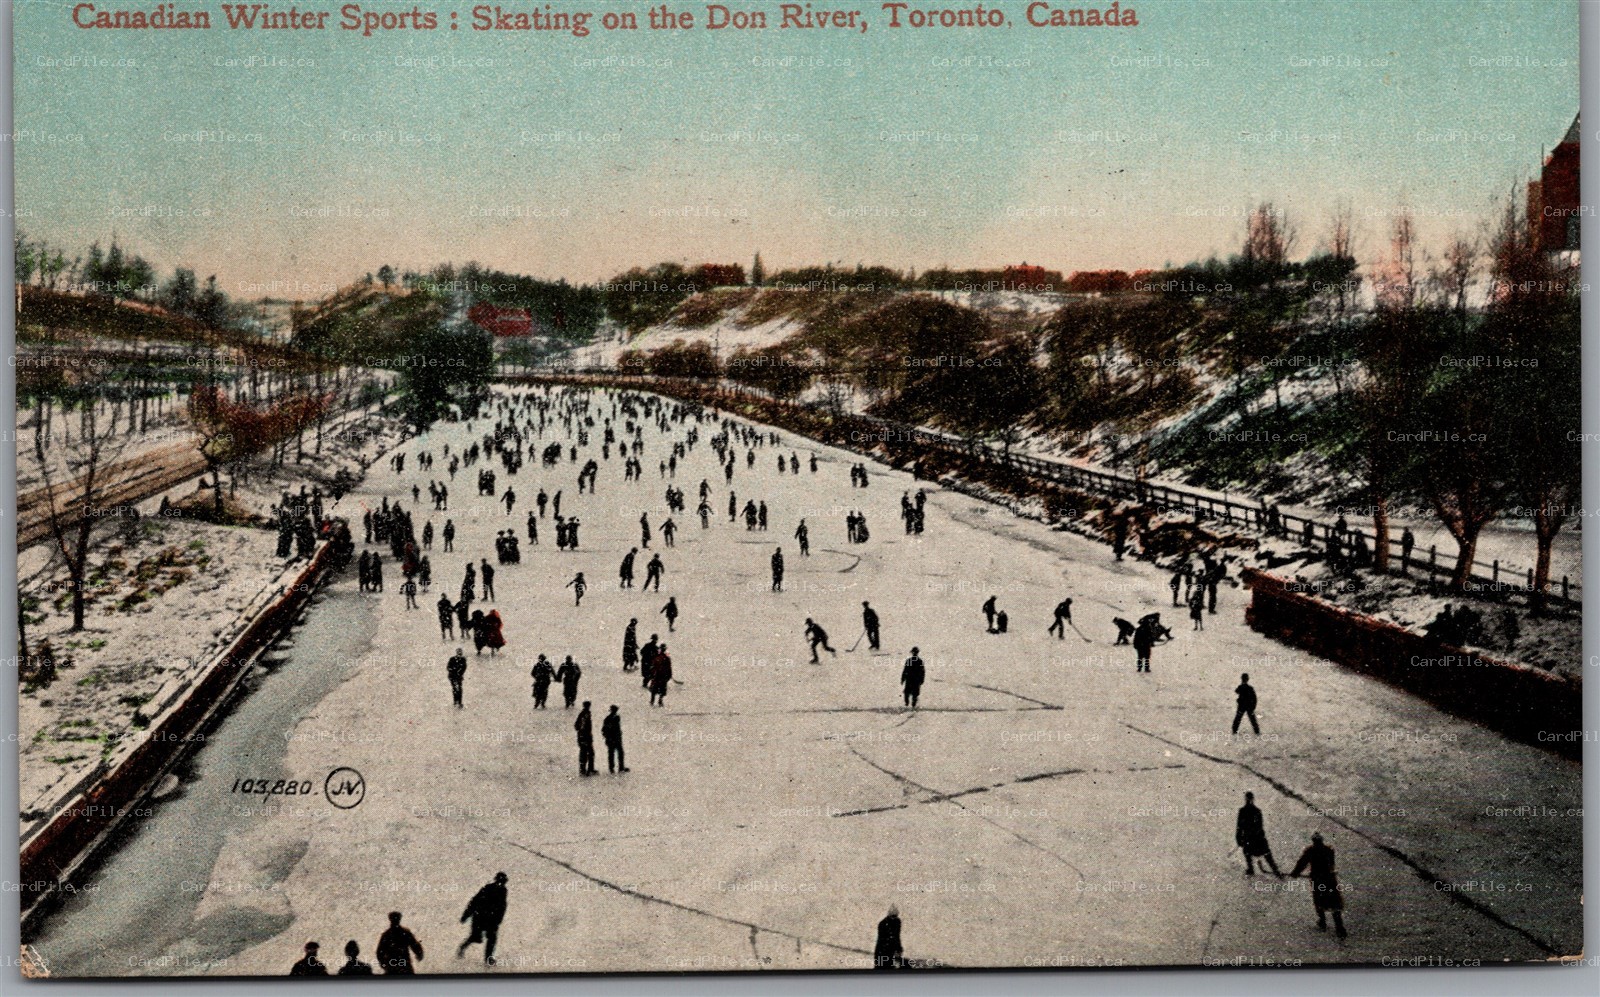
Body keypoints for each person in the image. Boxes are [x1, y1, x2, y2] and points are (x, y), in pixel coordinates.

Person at [1289, 833, 1347, 938]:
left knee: (1319, 900)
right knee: (1334, 902)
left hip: (1318, 879)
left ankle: (1322, 921)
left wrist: (1295, 873)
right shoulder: (1329, 850)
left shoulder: (1310, 851)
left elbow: (1302, 863)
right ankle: (1339, 926)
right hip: (1329, 879)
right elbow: (1331, 864)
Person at [457, 872, 508, 966]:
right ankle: (462, 948)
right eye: (499, 881)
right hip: (480, 917)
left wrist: (498, 919)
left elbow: (502, 907)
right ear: (496, 880)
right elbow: (475, 901)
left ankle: (488, 959)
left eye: (502, 882)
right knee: (476, 938)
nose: (500, 884)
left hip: (492, 920)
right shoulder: (488, 888)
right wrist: (466, 915)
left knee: (491, 938)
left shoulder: (503, 891)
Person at [1235, 792, 1283, 878]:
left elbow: (1239, 827)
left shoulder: (1243, 811)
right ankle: (1276, 871)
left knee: (1248, 852)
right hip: (1257, 838)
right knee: (1266, 854)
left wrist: (1239, 839)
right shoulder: (1256, 811)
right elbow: (1259, 826)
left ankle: (1251, 869)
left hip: (1250, 838)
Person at [602, 705, 629, 772]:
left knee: (612, 753)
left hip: (612, 739)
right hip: (615, 739)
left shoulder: (609, 718)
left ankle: (612, 768)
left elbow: (604, 730)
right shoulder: (614, 718)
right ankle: (620, 767)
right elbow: (607, 729)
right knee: (618, 753)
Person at [575, 701, 597, 776]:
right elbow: (581, 727)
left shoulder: (583, 714)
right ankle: (586, 770)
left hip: (583, 737)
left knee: (586, 753)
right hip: (585, 737)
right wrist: (584, 736)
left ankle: (585, 769)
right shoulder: (585, 715)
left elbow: (577, 726)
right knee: (587, 753)